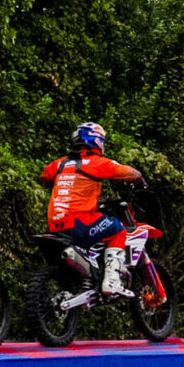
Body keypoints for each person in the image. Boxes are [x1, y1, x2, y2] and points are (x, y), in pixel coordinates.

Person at [42, 122, 144, 286]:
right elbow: (130, 173)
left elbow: (45, 176)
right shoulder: (98, 163)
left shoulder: (59, 164)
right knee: (117, 228)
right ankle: (112, 280)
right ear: (96, 141)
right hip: (78, 222)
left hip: (54, 224)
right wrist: (139, 179)